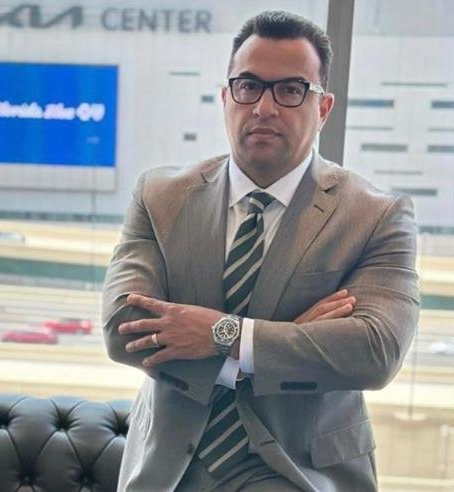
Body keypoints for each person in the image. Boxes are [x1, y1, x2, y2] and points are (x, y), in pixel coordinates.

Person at [102, 10, 419, 492]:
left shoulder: (375, 215)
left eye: (290, 90)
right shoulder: (160, 198)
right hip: (170, 470)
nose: (264, 108)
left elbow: (374, 351)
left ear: (324, 108)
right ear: (225, 98)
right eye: (248, 86)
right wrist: (288, 340)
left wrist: (224, 334)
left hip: (303, 471)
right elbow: (124, 330)